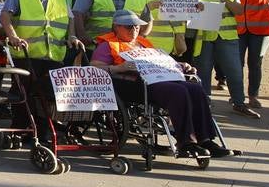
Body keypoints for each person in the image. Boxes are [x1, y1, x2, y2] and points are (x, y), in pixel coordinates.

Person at [91, 10, 228, 158]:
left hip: (157, 79)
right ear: (116, 27)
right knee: (178, 92)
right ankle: (186, 142)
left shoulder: (143, 43)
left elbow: (159, 61)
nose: (134, 29)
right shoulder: (107, 45)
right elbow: (94, 68)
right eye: (129, 26)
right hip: (133, 85)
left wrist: (179, 65)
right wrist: (119, 68)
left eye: (137, 26)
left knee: (195, 89)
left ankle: (205, 140)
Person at [0, 0, 76, 132]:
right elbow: (5, 16)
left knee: (47, 94)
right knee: (23, 92)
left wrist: (72, 36)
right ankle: (20, 128)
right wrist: (13, 36)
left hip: (53, 53)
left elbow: (70, 17)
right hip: (26, 53)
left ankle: (42, 129)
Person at [192, 0, 257, 118]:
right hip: (203, 37)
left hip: (227, 36)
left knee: (234, 70)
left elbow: (239, 11)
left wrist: (225, 0)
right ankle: (205, 103)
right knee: (203, 71)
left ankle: (239, 103)